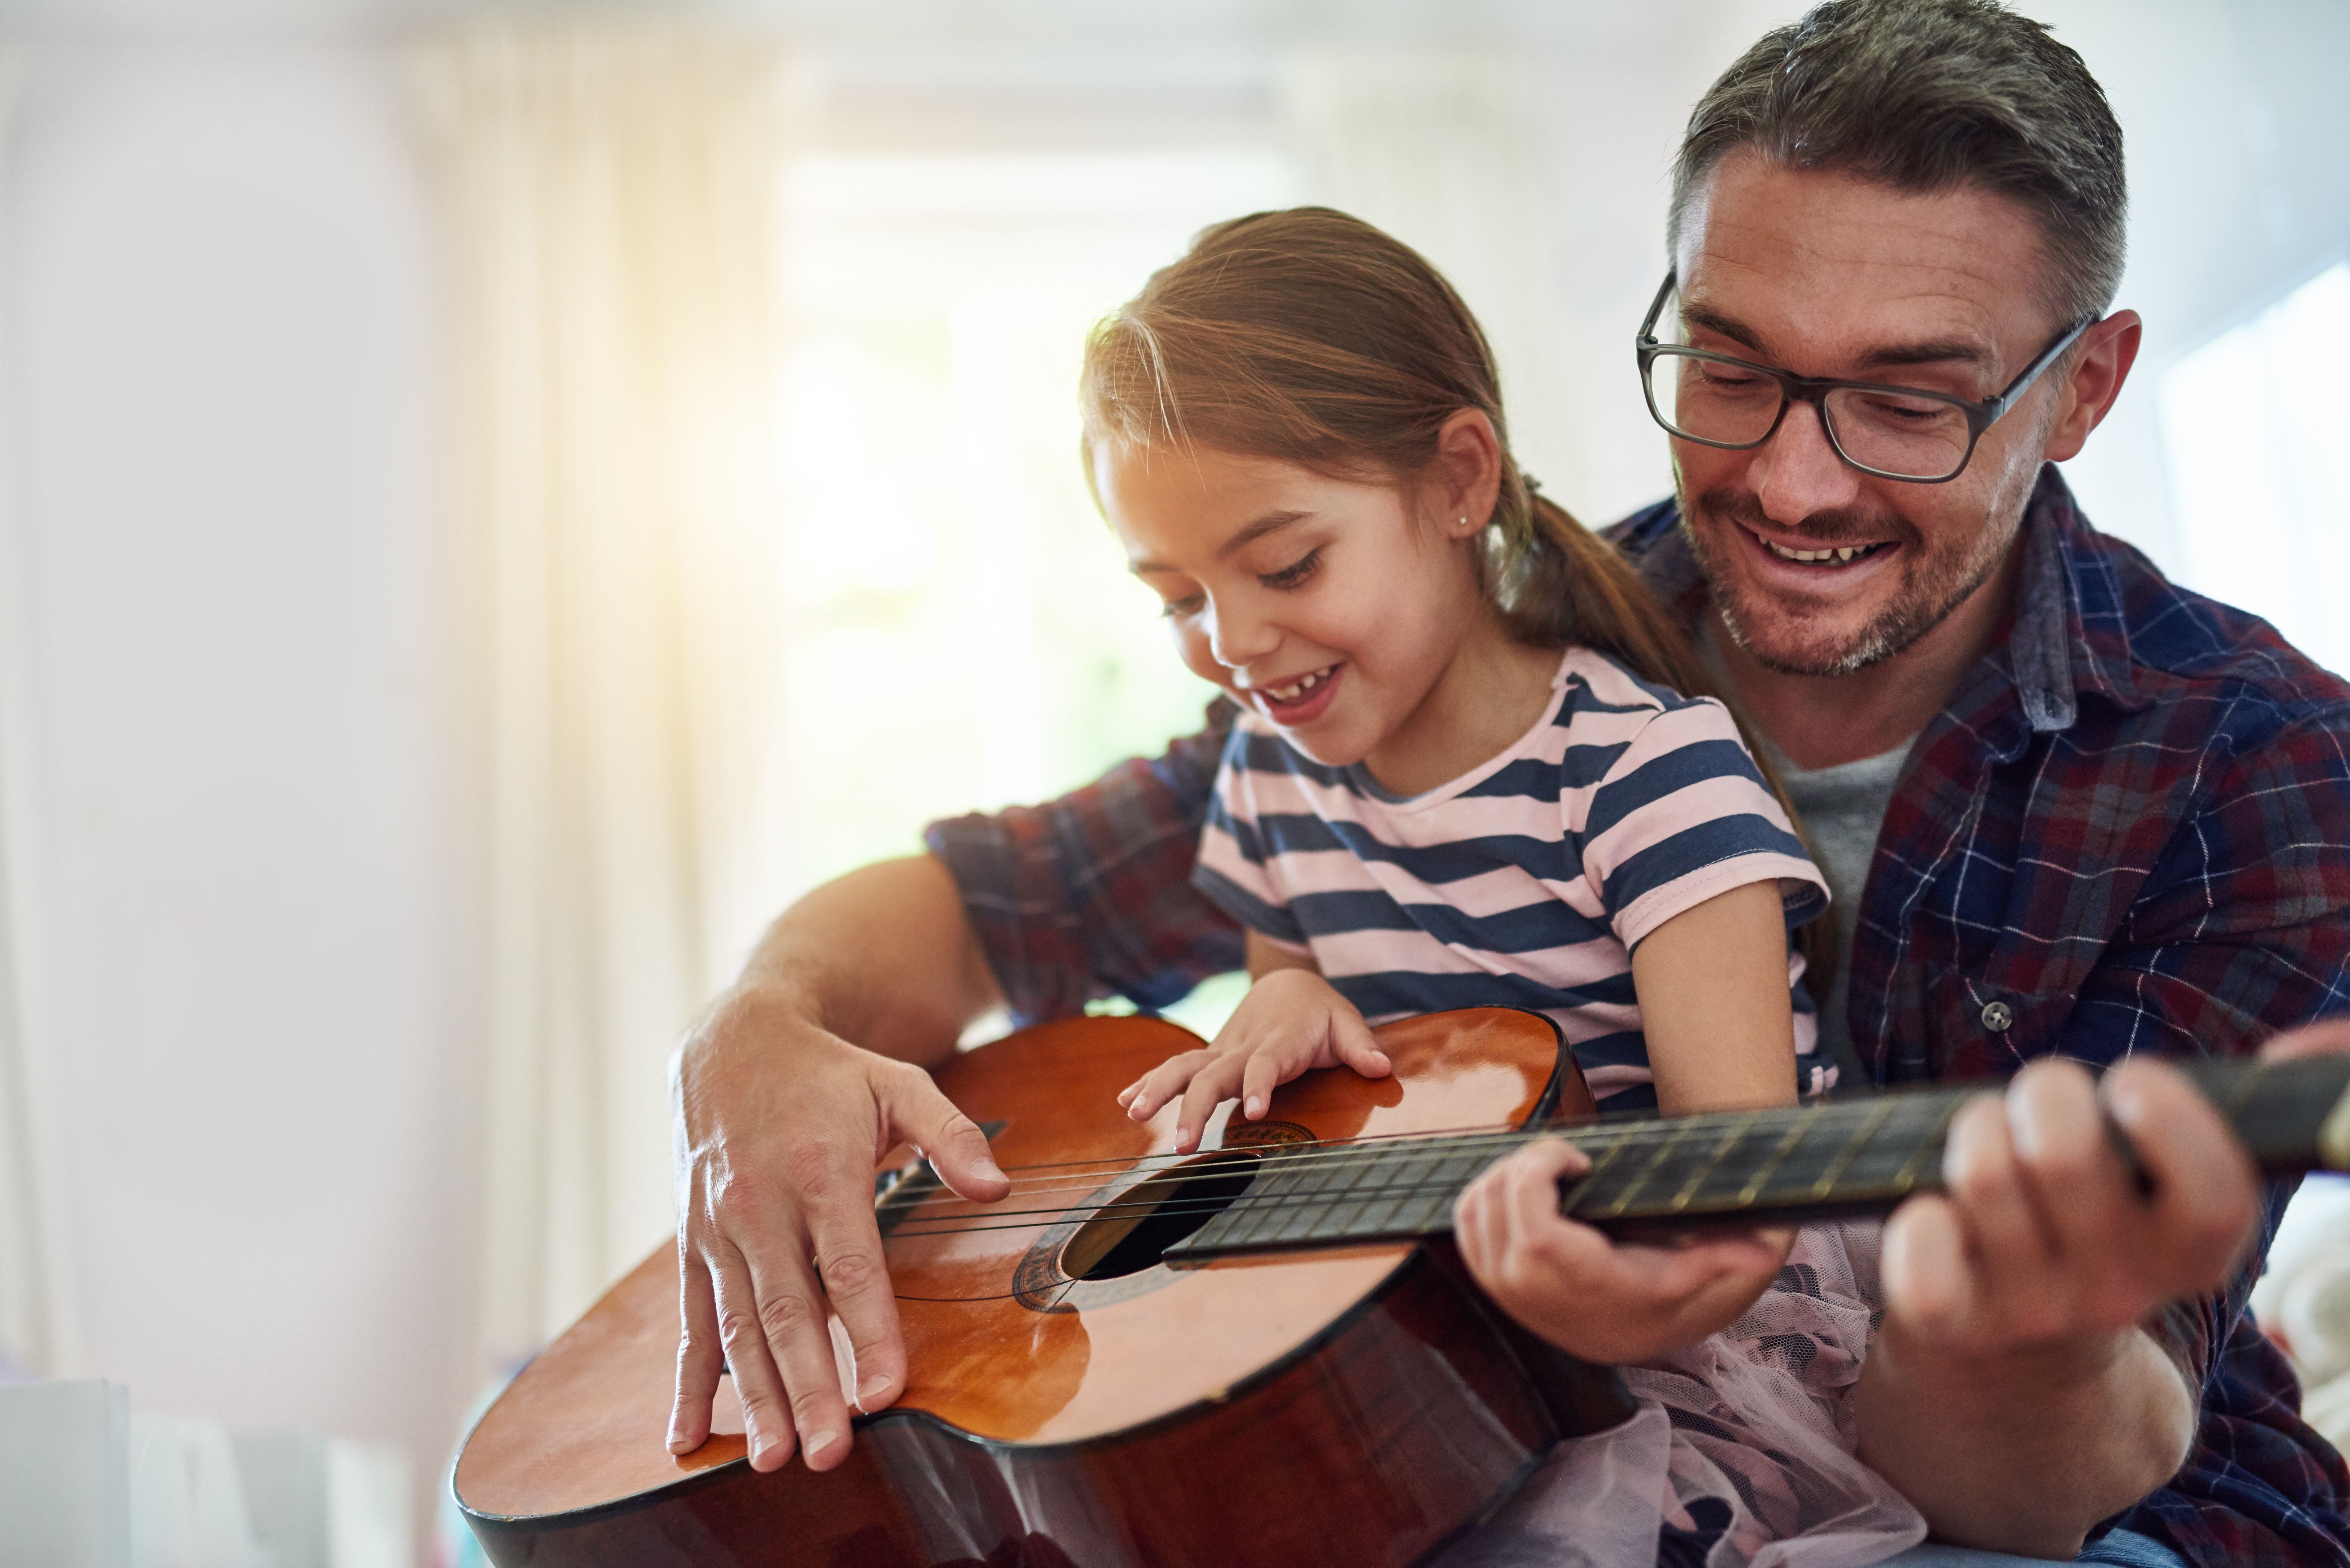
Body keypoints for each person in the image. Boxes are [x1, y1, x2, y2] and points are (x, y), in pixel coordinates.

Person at [666, 1, 2350, 1562]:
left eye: (1907, 401)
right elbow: (983, 905)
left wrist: (2006, 1323)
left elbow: (2040, 1466)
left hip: (2071, 1489)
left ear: (2080, 389)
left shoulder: (2259, 760)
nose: (1786, 476)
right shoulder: (1441, 654)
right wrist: (757, 1033)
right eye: (1730, 367)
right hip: (1512, 1415)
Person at [1082, 207, 1922, 1560]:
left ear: (1460, 478)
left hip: (1688, 1342)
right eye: (1177, 597)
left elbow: (1739, 1193)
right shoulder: (1268, 778)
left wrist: (1605, 1313)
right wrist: (1278, 1009)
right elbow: (1290, 1007)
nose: (1234, 640)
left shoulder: (1646, 777)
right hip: (1435, 1330)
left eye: (1286, 564)